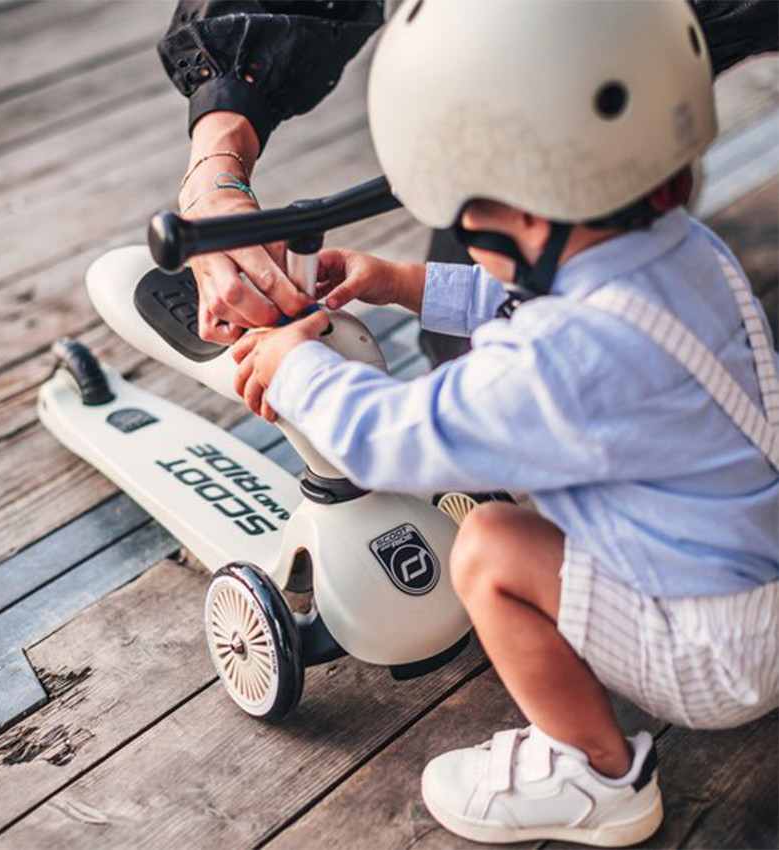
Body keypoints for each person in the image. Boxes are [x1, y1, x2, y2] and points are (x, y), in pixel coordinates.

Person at [226, 0, 779, 845]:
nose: (460, 239)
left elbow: (396, 436)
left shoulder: (564, 365)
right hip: (758, 583)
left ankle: (595, 775)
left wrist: (296, 368)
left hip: (711, 659)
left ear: (518, 211)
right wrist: (403, 282)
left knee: (490, 544)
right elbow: (546, 303)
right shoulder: (681, 251)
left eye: (461, 220)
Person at [158, 0, 777, 361]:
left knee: (491, 524)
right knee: (465, 346)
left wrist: (299, 374)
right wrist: (216, 167)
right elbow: (520, 308)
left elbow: (418, 432)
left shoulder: (561, 368)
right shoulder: (701, 268)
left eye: (472, 206)